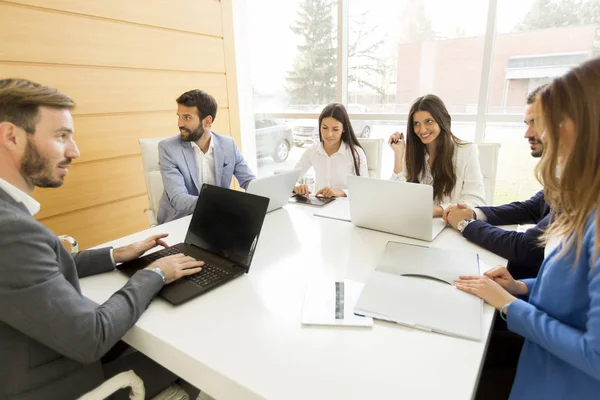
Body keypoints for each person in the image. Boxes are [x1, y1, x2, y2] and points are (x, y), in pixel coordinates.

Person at [0, 79, 205, 399]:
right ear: (11, 136)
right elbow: (92, 336)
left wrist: (116, 254)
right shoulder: (11, 231)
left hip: (38, 349)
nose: (75, 150)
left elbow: (35, 267)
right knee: (195, 355)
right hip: (58, 382)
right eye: (61, 136)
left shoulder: (9, 216)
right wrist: (156, 273)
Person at [455, 57, 600, 400]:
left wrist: (509, 305)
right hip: (536, 373)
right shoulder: (584, 202)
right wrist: (521, 286)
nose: (539, 133)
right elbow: (573, 290)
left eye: (550, 121)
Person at [443, 85, 550, 280]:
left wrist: (465, 223)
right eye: (527, 123)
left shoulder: (584, 189)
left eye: (535, 122)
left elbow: (525, 247)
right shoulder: (563, 180)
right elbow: (530, 209)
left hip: (537, 289)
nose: (527, 133)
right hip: (527, 282)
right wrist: (474, 213)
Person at [157, 89, 256, 224]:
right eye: (179, 116)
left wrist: (268, 191)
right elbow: (178, 198)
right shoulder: (168, 148)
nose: (179, 123)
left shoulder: (228, 145)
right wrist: (223, 205)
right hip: (180, 220)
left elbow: (249, 181)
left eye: (187, 117)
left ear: (207, 121)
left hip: (216, 219)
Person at [388, 94, 486, 217]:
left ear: (442, 120)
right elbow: (395, 195)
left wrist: (438, 210)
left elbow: (477, 201)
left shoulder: (466, 151)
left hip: (449, 225)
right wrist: (398, 154)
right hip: (416, 222)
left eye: (428, 121)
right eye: (416, 124)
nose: (422, 130)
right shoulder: (413, 152)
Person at [293, 102, 368, 198]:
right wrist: (296, 188)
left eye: (335, 129)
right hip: (319, 206)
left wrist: (340, 192)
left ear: (343, 128)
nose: (329, 134)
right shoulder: (312, 151)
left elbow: (364, 189)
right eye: (325, 128)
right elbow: (289, 180)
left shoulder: (356, 153)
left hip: (344, 208)